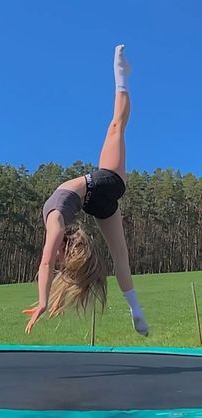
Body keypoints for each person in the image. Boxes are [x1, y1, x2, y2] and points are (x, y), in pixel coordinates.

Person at [23, 45, 149, 337]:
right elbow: (45, 260)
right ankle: (121, 76)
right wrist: (42, 301)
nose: (57, 261)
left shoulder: (60, 223)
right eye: (62, 261)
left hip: (99, 201)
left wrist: (46, 298)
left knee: (121, 256)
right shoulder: (55, 224)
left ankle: (136, 310)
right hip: (101, 185)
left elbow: (48, 263)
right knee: (116, 126)